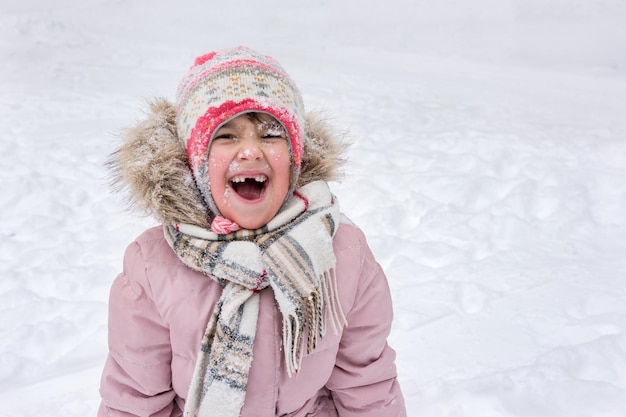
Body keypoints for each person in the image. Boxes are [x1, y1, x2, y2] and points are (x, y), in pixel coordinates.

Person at [99, 46, 406, 417]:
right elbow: (135, 402)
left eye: (270, 135)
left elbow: (367, 388)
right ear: (196, 164)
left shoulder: (341, 255)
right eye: (226, 136)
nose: (249, 152)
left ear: (294, 157)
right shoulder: (153, 265)